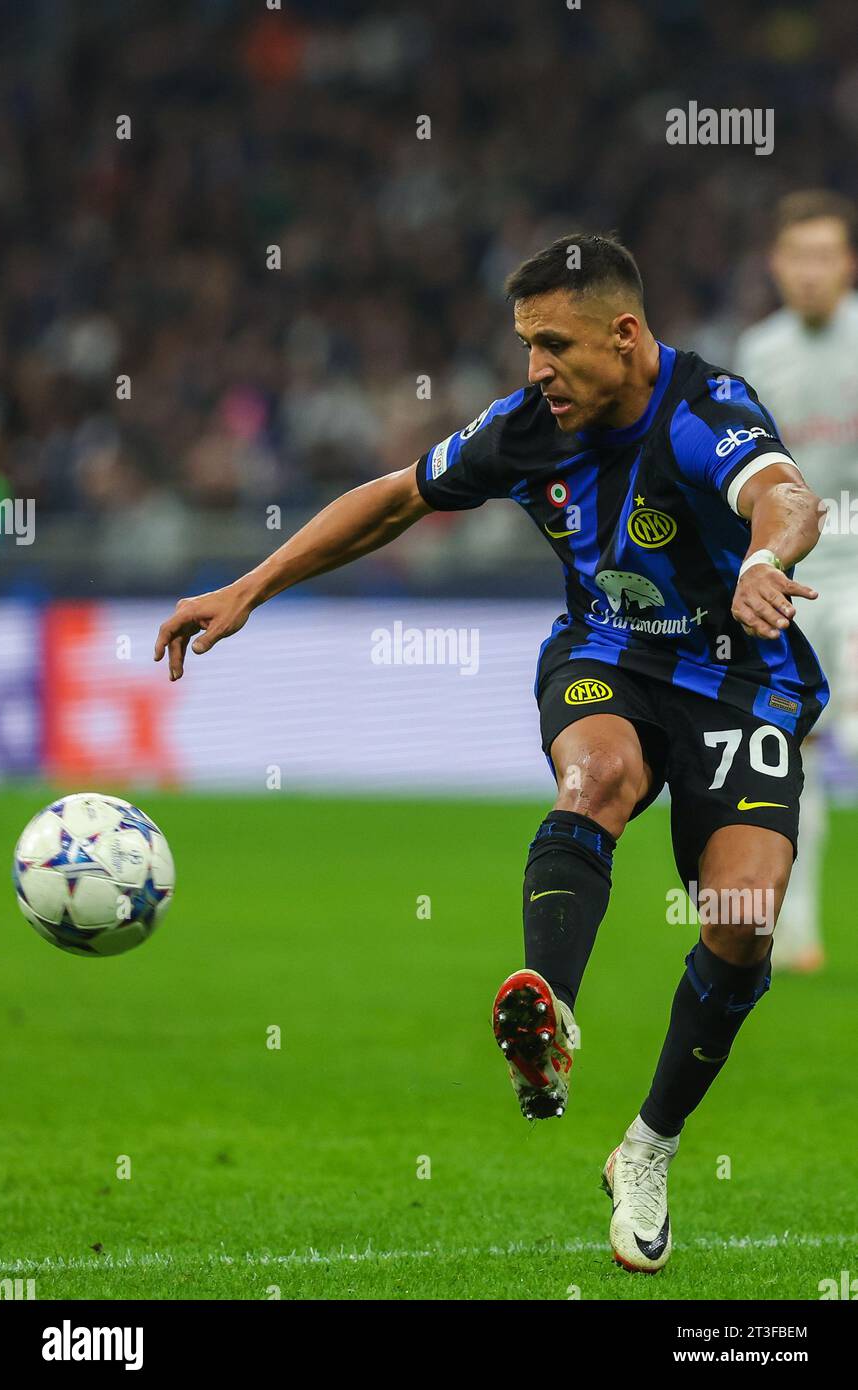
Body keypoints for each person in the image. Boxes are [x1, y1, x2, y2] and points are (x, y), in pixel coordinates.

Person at [155, 233, 827, 1273]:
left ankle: (646, 1144)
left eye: (553, 346)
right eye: (524, 346)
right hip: (606, 652)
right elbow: (392, 498)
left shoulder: (704, 410)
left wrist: (763, 557)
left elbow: (783, 495)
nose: (534, 371)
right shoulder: (525, 428)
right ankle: (547, 1015)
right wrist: (249, 586)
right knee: (594, 774)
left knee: (740, 926)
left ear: (624, 334)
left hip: (741, 677)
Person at [735, 190, 858, 973]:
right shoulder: (757, 353)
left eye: (826, 257)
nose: (811, 273)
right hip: (794, 578)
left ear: (847, 265)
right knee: (791, 752)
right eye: (798, 258)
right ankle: (797, 934)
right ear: (778, 267)